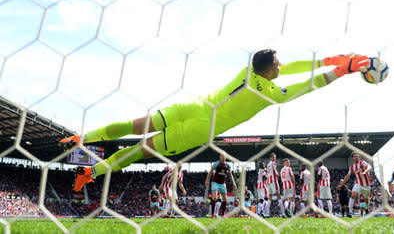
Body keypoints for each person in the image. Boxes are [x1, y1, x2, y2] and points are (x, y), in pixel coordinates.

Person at [59, 50, 369, 192]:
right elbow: (307, 84)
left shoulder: (250, 70)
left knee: (132, 126)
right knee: (140, 149)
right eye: (278, 65)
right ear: (270, 71)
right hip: (199, 127)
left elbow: (295, 67)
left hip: (191, 106)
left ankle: (83, 138)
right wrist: (341, 70)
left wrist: (332, 59)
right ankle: (92, 171)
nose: (282, 67)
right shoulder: (271, 93)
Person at [337, 152, 372, 218]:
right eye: (355, 156)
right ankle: (350, 212)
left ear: (359, 157)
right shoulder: (352, 167)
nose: (357, 157)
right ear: (353, 158)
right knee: (353, 195)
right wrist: (341, 184)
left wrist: (365, 171)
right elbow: (347, 176)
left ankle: (367, 209)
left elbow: (369, 167)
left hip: (366, 184)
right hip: (357, 183)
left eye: (358, 156)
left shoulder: (363, 162)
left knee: (366, 199)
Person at [265, 152, 283, 217]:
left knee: (270, 197)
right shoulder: (273, 163)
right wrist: (277, 176)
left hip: (269, 181)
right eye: (273, 157)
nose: (274, 158)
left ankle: (267, 213)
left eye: (275, 157)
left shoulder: (268, 164)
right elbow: (276, 172)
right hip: (273, 181)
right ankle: (283, 213)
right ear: (270, 158)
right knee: (278, 195)